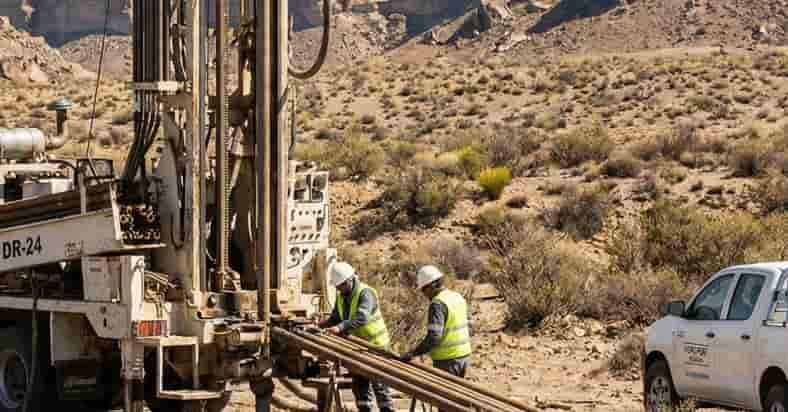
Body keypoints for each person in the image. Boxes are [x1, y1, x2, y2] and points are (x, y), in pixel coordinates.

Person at [319, 262, 395, 412]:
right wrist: (320, 325)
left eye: (341, 286)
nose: (339, 289)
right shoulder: (342, 296)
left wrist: (340, 328)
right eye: (337, 286)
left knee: (380, 387)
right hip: (356, 348)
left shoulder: (366, 293)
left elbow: (362, 318)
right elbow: (335, 317)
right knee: (360, 387)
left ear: (350, 280)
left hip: (375, 347)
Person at [400, 265, 472, 383]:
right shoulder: (457, 296)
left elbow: (434, 336)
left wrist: (413, 353)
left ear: (432, 285)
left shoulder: (437, 304)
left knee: (445, 397)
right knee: (456, 395)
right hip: (464, 356)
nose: (423, 294)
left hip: (447, 360)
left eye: (423, 289)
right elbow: (470, 326)